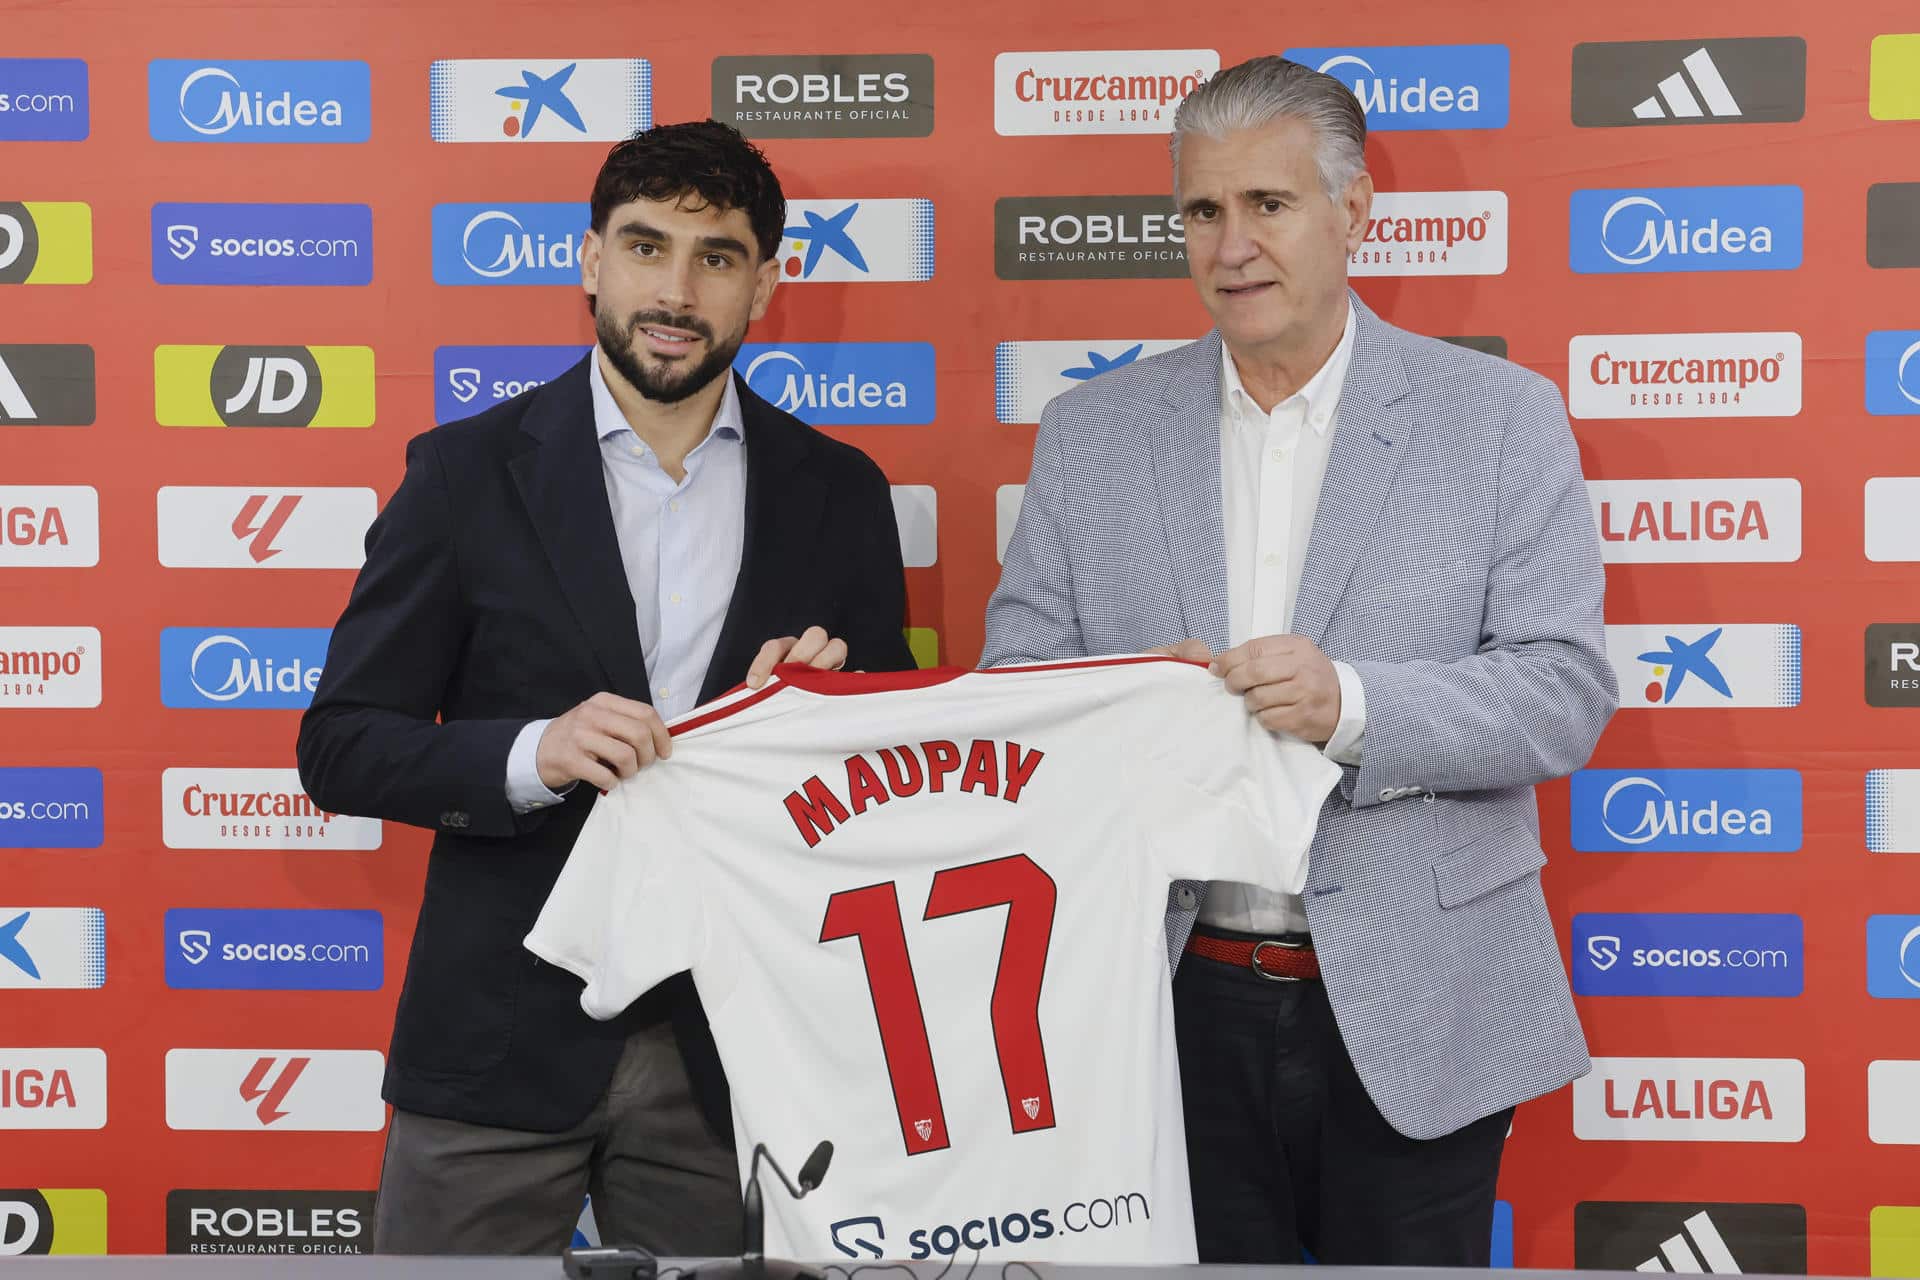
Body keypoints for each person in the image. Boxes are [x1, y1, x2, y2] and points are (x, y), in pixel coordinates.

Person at [982, 56, 1616, 1267]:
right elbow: (1018, 688)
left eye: (1268, 204)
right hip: (1163, 1002)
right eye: (1202, 211)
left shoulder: (1499, 417)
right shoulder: (1092, 432)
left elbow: (1561, 690)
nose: (1232, 246)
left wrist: (1353, 703)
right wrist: (1121, 706)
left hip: (1422, 1000)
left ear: (1355, 211)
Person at [297, 119, 916, 1256]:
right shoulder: (465, 472)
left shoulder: (839, 492)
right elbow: (340, 742)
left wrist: (816, 722)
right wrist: (533, 751)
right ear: (590, 259)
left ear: (765, 285)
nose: (675, 290)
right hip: (493, 1036)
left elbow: (894, 779)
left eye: (716, 257)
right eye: (645, 246)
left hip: (738, 1047)